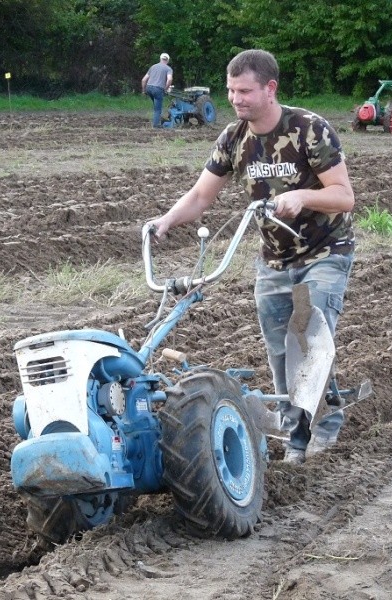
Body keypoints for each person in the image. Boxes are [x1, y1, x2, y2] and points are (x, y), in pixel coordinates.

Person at [145, 49, 355, 465]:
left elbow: (344, 197)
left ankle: (304, 437)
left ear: (270, 89)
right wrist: (167, 220)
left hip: (324, 251)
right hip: (274, 257)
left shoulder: (310, 130)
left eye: (244, 91)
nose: (235, 99)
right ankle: (314, 414)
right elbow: (202, 195)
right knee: (281, 348)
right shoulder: (234, 137)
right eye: (230, 91)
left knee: (308, 333)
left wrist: (301, 195)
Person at [141, 53, 173, 128]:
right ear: (167, 60)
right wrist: (166, 88)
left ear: (160, 59)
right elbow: (169, 79)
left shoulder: (153, 67)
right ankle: (156, 125)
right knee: (157, 109)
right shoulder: (168, 69)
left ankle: (158, 119)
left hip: (149, 88)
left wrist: (143, 90)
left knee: (156, 106)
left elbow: (143, 80)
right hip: (158, 89)